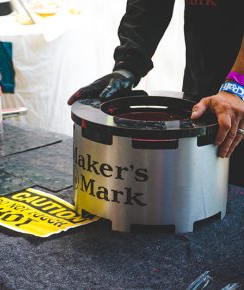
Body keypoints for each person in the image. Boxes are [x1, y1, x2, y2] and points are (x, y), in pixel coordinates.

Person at [68, 0, 244, 186]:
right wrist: (128, 65)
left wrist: (237, 84)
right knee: (201, 190)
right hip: (205, 72)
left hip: (238, 86)